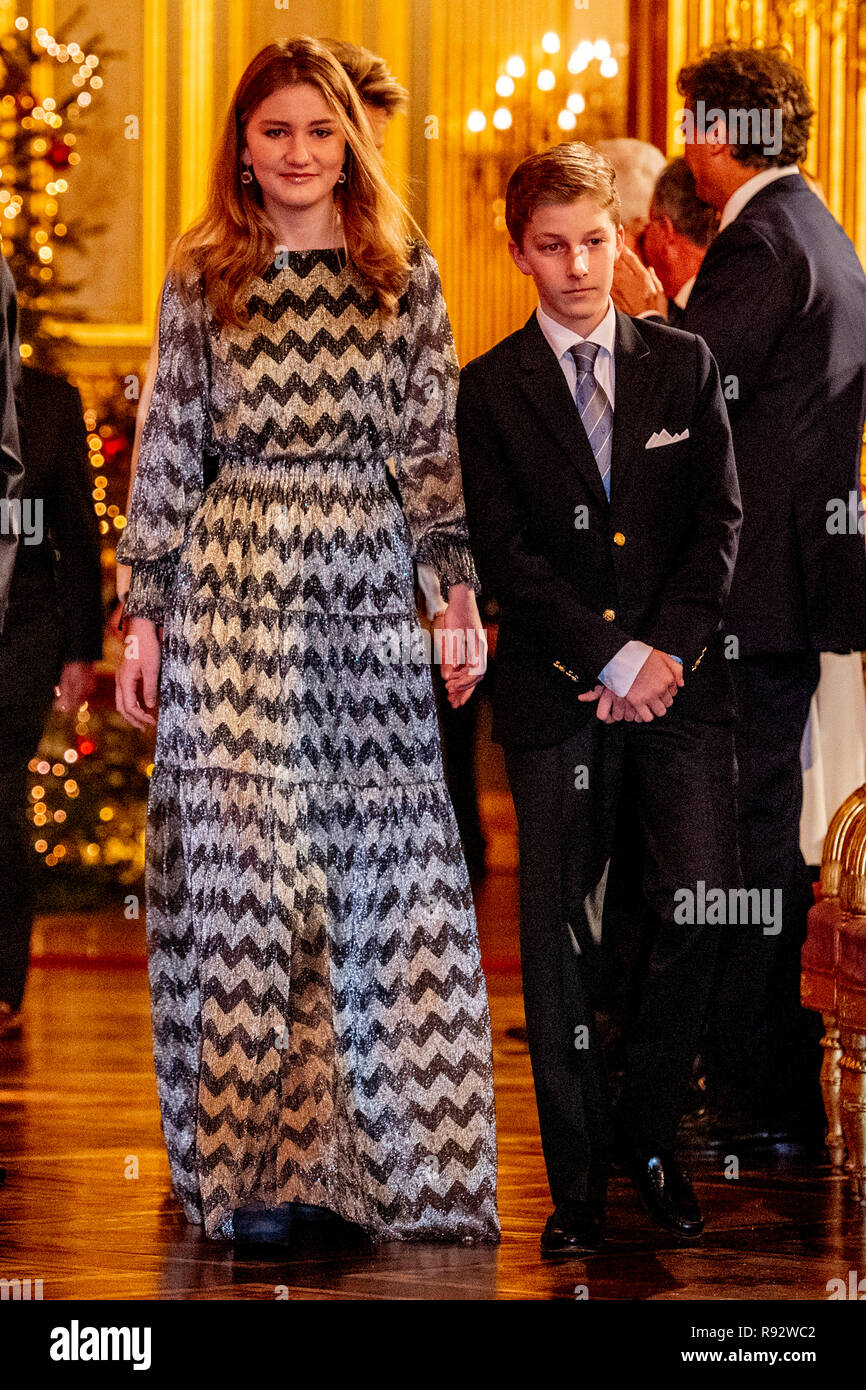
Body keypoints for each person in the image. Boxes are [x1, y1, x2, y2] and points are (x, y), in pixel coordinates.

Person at [114, 36, 499, 1247]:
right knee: (246, 878)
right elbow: (169, 448)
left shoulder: (401, 270)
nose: (296, 151)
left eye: (318, 131)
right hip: (230, 585)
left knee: (368, 876)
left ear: (348, 141)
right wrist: (142, 616)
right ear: (241, 143)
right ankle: (255, 1167)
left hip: (364, 591)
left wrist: (452, 597)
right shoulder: (200, 273)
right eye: (273, 130)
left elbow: (433, 450)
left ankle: (355, 1160)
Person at [456, 142, 742, 1254]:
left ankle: (649, 1137)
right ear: (518, 251)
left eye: (595, 240)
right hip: (555, 697)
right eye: (552, 246)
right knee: (556, 941)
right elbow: (504, 554)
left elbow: (717, 528)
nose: (578, 266)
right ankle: (574, 1182)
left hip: (680, 695)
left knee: (695, 911)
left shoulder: (683, 364)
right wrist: (608, 658)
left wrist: (660, 654)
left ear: (620, 235)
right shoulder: (485, 391)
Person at [675, 45, 866, 1139]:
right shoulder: (822, 230)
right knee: (765, 830)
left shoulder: (755, 240)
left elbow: (689, 387)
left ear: (711, 134)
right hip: (794, 585)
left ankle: (755, 1096)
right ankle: (769, 1086)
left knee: (742, 837)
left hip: (747, 590)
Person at [0, 365, 103, 1038]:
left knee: (0, 794)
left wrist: (79, 651)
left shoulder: (49, 400)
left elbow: (76, 533)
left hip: (23, 634)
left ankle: (3, 981)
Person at [642, 157, 718, 321]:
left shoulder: (698, 315)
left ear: (665, 231)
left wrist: (647, 317)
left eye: (648, 225)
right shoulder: (736, 292)